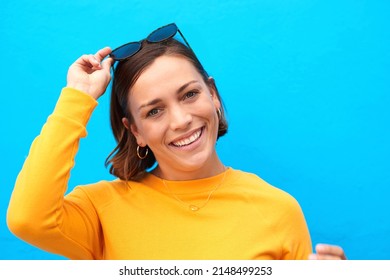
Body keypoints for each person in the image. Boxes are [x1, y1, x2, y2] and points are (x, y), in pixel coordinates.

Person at [7, 23, 346, 260]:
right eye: (154, 111)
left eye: (190, 94)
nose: (181, 120)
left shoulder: (278, 210)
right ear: (135, 130)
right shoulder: (102, 211)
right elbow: (27, 219)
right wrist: (77, 98)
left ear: (212, 94)